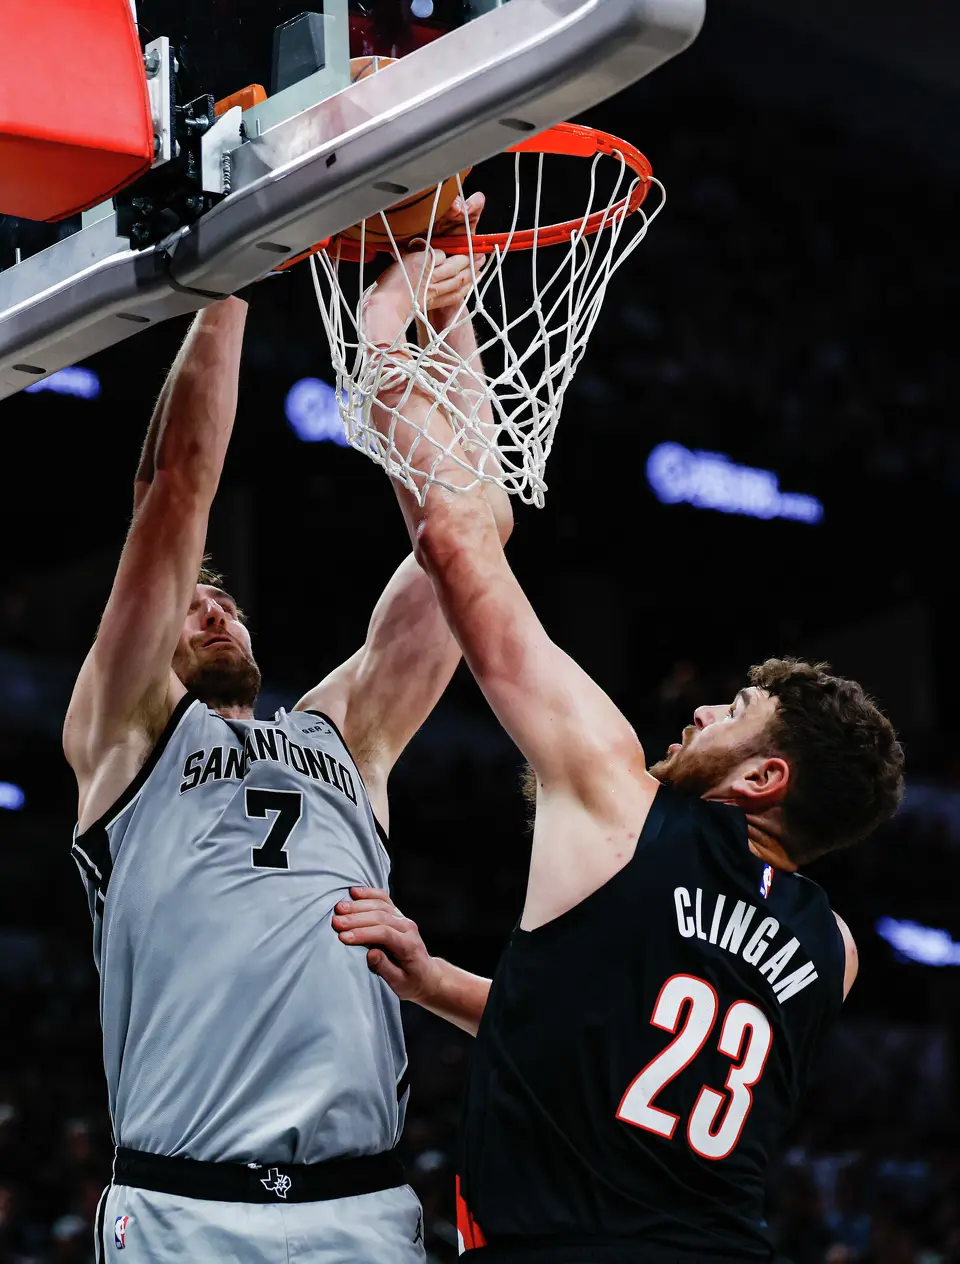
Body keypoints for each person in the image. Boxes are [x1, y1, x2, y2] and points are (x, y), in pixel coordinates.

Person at [331, 242, 905, 1262]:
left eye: (731, 711)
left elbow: (460, 547)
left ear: (762, 777)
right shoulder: (835, 952)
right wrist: (432, 982)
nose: (698, 715)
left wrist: (385, 344)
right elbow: (600, 1032)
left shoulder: (620, 794)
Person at [62, 214, 511, 1264]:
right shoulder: (128, 733)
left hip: (359, 1202)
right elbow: (174, 491)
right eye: (194, 605)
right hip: (187, 1205)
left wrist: (450, 322)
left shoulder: (344, 731)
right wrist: (236, 267)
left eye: (230, 605)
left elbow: (471, 547)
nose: (216, 611)